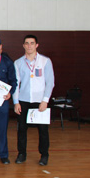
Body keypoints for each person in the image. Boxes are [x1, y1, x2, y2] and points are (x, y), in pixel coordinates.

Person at [13, 35, 55, 166]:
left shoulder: (45, 61)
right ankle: (21, 154)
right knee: (21, 129)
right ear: (23, 45)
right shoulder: (18, 63)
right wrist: (16, 102)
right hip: (23, 100)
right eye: (27, 43)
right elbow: (16, 84)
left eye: (32, 43)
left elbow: (50, 82)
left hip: (40, 101)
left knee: (43, 130)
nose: (29, 45)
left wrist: (45, 100)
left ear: (37, 45)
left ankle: (44, 155)